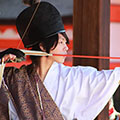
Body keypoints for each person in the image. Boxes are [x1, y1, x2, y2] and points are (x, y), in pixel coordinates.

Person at [0, 1, 120, 120]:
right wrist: (1, 61)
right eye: (61, 42)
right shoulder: (13, 78)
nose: (66, 47)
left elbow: (115, 76)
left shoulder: (72, 77)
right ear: (42, 46)